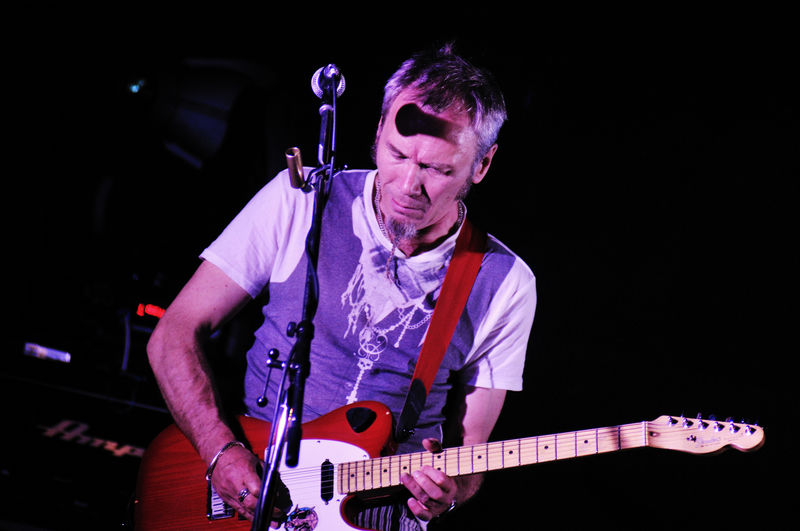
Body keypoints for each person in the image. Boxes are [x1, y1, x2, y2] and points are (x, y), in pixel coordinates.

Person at [146, 43, 536, 530]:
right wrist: (219, 450)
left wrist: (450, 492)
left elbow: (470, 449)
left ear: (481, 164)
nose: (407, 185)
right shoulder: (301, 199)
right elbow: (173, 334)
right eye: (397, 154)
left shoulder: (505, 281)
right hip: (253, 492)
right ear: (378, 130)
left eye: (437, 170)